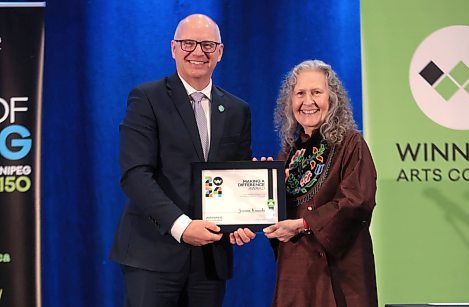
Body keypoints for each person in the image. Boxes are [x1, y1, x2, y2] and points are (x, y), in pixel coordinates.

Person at [110, 14, 253, 307]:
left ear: (220, 52)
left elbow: (236, 176)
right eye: (188, 43)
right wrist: (182, 225)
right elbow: (135, 174)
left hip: (210, 261)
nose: (198, 51)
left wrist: (245, 217)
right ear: (173, 48)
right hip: (152, 254)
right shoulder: (147, 98)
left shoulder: (238, 110)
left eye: (207, 44)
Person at [263, 60, 378, 306]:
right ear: (289, 102)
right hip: (295, 274)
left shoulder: (351, 144)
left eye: (316, 92)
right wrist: (264, 187)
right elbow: (275, 213)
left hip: (339, 274)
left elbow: (358, 202)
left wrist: (304, 224)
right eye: (300, 94)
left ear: (332, 99)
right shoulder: (289, 153)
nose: (308, 102)